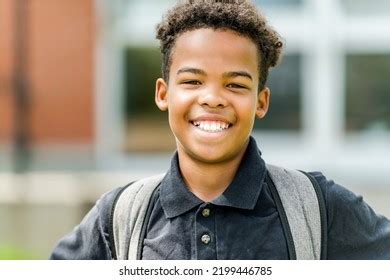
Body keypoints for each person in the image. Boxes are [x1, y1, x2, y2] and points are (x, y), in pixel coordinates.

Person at [50, 0, 390, 259]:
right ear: (163, 94)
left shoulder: (319, 207)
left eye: (236, 85)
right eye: (193, 81)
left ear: (261, 101)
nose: (212, 98)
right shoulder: (119, 218)